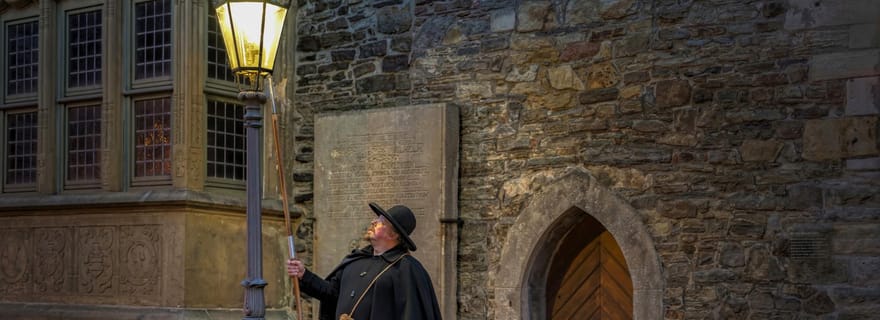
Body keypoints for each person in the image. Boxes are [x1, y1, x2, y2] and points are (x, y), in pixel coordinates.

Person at [287, 202, 442, 320]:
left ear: (394, 235)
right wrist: (304, 275)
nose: (374, 222)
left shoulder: (407, 269)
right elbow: (331, 294)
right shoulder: (355, 260)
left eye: (381, 222)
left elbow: (412, 314)